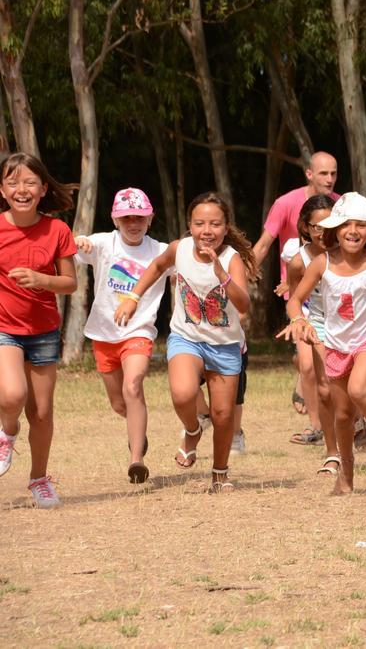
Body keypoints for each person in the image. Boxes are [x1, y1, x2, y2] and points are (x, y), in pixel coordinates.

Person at [115, 192, 257, 493]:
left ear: (226, 226)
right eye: (200, 223)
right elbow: (155, 267)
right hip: (186, 337)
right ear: (189, 225)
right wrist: (132, 298)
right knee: (182, 394)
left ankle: (220, 474)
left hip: (225, 344)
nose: (207, 230)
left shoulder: (231, 260)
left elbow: (244, 305)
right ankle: (192, 430)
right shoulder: (179, 249)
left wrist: (222, 275)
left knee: (223, 416)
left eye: (215, 224)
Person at [280, 193, 366, 493]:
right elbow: (296, 299)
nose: (353, 231)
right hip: (337, 345)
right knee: (342, 415)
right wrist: (298, 320)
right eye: (346, 224)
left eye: (362, 225)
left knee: (358, 388)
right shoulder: (320, 263)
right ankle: (346, 473)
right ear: (335, 229)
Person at [74, 187, 169, 484]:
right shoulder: (103, 243)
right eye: (126, 217)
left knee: (133, 385)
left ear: (150, 219)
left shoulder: (161, 251)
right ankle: (137, 433)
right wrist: (79, 243)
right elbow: (74, 247)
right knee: (119, 404)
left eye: (139, 217)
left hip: (138, 331)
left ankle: (136, 459)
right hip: (102, 334)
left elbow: (190, 266)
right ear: (115, 219)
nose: (133, 223)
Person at [0, 153, 78, 508]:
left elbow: (70, 284)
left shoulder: (57, 230)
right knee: (13, 396)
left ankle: (39, 479)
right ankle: (7, 432)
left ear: (44, 189)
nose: (22, 189)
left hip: (44, 330)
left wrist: (41, 280)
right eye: (13, 181)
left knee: (42, 413)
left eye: (30, 182)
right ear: (2, 189)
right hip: (5, 328)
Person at [252, 152, 339, 417]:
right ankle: (315, 426)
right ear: (309, 174)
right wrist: (240, 275)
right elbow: (265, 243)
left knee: (323, 364)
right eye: (324, 173)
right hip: (298, 289)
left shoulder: (338, 204)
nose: (330, 179)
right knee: (309, 363)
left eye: (334, 173)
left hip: (333, 290)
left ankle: (339, 414)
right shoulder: (285, 203)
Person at [283, 194, 342, 474]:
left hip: (352, 326)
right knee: (324, 385)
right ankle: (333, 452)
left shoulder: (349, 248)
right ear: (305, 227)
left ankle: (355, 423)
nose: (322, 231)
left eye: (328, 223)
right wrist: (298, 321)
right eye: (316, 226)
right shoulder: (299, 261)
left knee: (351, 387)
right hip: (317, 322)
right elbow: (296, 297)